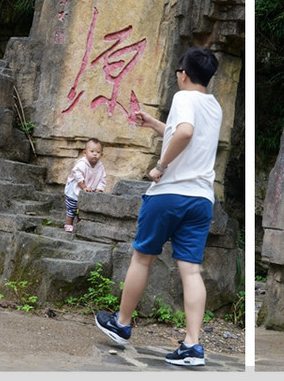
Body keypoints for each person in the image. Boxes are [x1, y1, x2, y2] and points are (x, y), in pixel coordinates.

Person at [95, 46, 222, 367]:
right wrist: (155, 124)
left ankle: (122, 324)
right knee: (191, 270)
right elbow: (187, 136)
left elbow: (185, 133)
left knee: (142, 259)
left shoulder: (183, 99)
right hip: (201, 200)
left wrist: (160, 166)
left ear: (183, 74)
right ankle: (193, 346)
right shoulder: (214, 106)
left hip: (169, 195)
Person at [64, 138, 107, 232]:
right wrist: (83, 186)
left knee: (82, 211)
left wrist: (100, 188)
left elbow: (102, 178)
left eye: (98, 152)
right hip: (74, 192)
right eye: (92, 151)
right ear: (85, 152)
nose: (95, 154)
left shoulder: (100, 167)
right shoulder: (82, 164)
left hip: (87, 192)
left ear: (102, 154)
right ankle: (68, 225)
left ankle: (79, 225)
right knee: (72, 209)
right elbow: (78, 175)